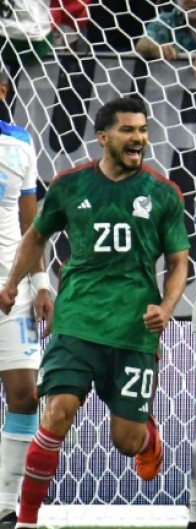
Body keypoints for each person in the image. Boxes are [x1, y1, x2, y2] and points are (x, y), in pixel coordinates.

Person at [0, 96, 190, 529]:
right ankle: (26, 520)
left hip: (133, 330)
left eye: (142, 130)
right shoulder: (70, 185)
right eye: (128, 130)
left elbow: (179, 262)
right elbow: (35, 236)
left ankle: (146, 435)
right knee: (57, 412)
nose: (138, 138)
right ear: (103, 137)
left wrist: (167, 306)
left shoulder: (163, 193)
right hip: (77, 321)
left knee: (125, 441)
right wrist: (14, 284)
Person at [0, 69, 53, 527]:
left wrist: (41, 285)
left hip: (9, 292)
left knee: (24, 395)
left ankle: (4, 505)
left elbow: (32, 225)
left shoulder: (20, 144)